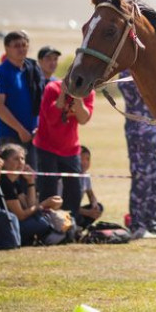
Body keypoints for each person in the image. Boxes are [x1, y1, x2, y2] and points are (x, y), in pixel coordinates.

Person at [117, 70, 156, 240]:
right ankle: (138, 225)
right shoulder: (128, 73)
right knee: (142, 178)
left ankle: (152, 223)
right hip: (139, 132)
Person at [33, 78, 94, 221]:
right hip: (46, 147)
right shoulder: (52, 88)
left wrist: (77, 97)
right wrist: (62, 94)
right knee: (49, 190)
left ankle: (69, 226)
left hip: (70, 148)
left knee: (74, 190)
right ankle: (47, 226)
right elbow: (51, 118)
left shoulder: (87, 92)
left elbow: (84, 118)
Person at [0, 30, 44, 170]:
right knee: (10, 181)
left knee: (31, 179)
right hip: (9, 136)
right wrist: (21, 130)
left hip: (33, 135)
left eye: (24, 45)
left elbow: (40, 100)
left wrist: (37, 128)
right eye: (16, 46)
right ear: (7, 48)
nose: (21, 49)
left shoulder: (33, 69)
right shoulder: (1, 72)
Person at [0, 143, 64, 246]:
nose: (21, 163)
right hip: (6, 227)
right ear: (4, 162)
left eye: (22, 159)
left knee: (48, 217)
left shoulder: (14, 182)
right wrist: (44, 205)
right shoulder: (5, 183)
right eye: (16, 159)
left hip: (18, 224)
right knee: (44, 221)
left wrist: (31, 182)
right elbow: (21, 216)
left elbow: (29, 206)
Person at [76, 146, 103, 229]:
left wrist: (94, 205)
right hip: (68, 211)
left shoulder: (86, 176)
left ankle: (79, 228)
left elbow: (90, 194)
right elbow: (67, 206)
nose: (84, 162)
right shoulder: (69, 177)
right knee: (77, 217)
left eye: (87, 159)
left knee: (99, 207)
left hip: (78, 210)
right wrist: (88, 213)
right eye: (81, 159)